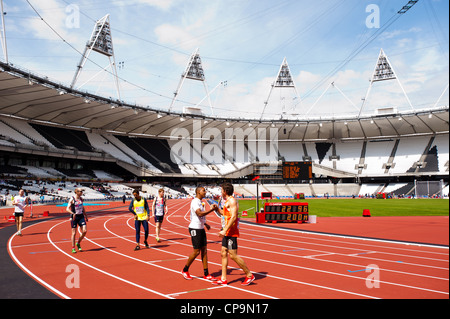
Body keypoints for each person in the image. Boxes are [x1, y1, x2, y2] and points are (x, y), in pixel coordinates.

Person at [213, 183, 255, 286]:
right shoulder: (227, 201)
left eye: (222, 190)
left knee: (233, 255)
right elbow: (225, 213)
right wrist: (217, 209)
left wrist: (224, 230)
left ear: (225, 191)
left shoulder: (232, 201)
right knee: (223, 253)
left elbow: (234, 217)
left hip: (231, 231)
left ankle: (249, 275)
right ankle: (223, 278)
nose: (221, 192)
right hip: (226, 230)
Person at [181, 186, 218, 281]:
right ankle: (185, 270)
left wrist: (205, 223)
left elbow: (199, 216)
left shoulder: (200, 202)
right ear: (198, 192)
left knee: (204, 251)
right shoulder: (195, 202)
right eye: (203, 190)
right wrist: (211, 210)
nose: (205, 192)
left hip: (201, 228)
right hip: (194, 228)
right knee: (196, 251)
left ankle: (206, 273)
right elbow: (199, 214)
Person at [66, 188, 88, 253]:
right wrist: (73, 213)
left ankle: (78, 243)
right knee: (74, 233)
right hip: (74, 217)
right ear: (76, 192)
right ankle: (73, 247)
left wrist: (86, 215)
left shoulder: (81, 199)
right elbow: (67, 209)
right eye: (81, 191)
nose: (82, 192)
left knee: (84, 231)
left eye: (82, 191)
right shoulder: (72, 199)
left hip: (81, 216)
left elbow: (82, 207)